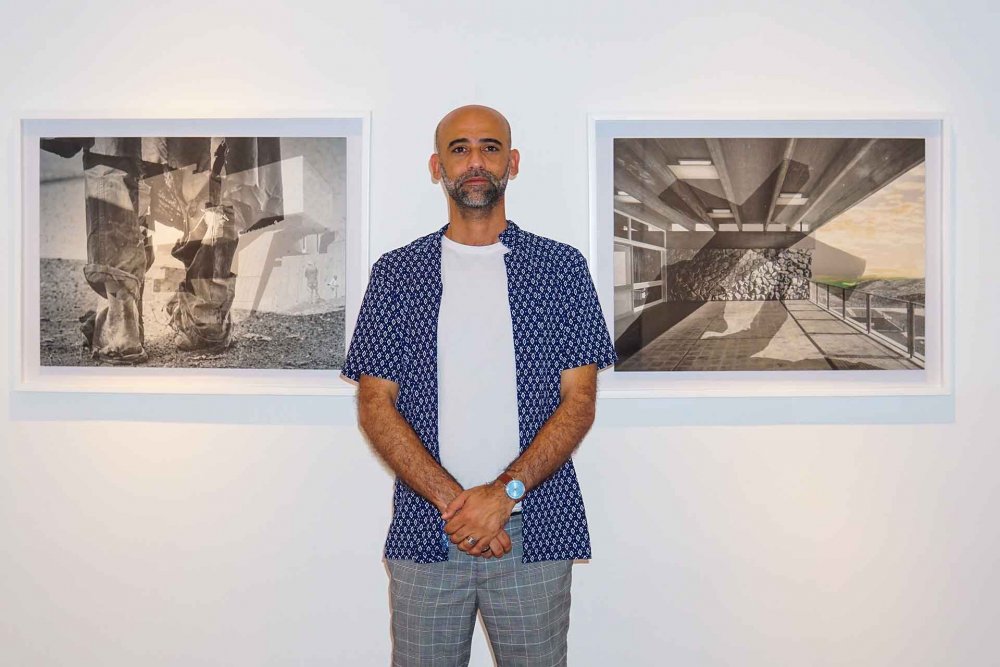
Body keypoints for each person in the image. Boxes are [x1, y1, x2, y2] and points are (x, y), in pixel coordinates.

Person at [342, 105, 616, 666]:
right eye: (460, 148)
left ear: (511, 163)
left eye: (489, 148)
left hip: (533, 531)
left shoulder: (561, 269)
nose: (475, 162)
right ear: (436, 165)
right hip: (427, 530)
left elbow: (579, 403)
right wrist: (459, 506)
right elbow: (375, 405)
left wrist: (503, 496)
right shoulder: (398, 273)